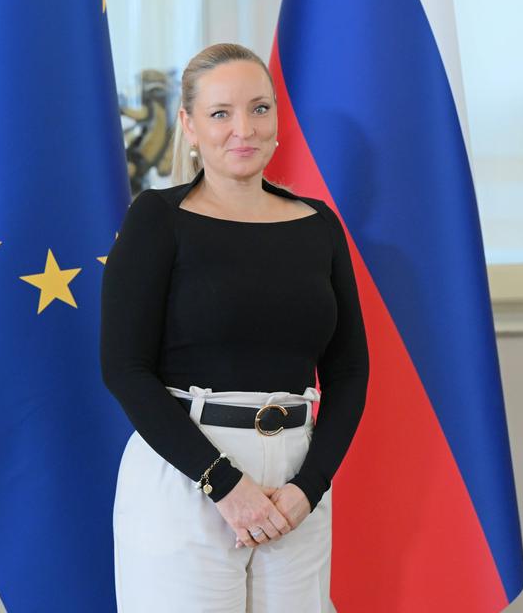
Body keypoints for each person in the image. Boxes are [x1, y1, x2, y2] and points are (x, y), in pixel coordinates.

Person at [100, 43, 370, 611]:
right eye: (220, 113)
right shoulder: (158, 219)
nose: (243, 129)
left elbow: (348, 370)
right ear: (189, 126)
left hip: (295, 487)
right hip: (186, 476)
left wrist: (309, 487)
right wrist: (223, 483)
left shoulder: (319, 225)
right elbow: (124, 369)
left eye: (259, 109)